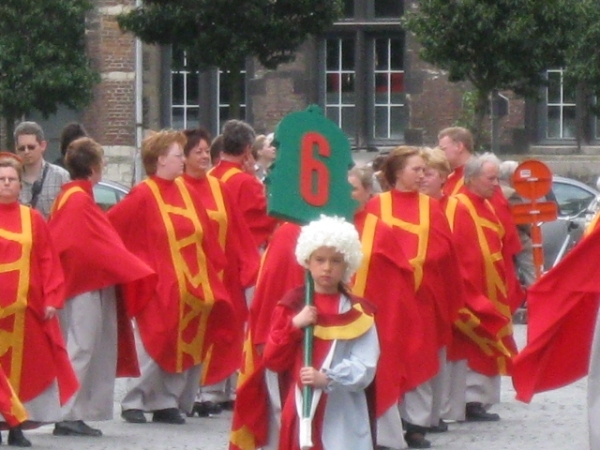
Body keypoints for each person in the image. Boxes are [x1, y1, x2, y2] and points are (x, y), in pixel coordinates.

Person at [107, 130, 236, 425]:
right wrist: (136, 267)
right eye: (179, 155)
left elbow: (205, 234)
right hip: (159, 283)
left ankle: (167, 399)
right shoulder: (143, 193)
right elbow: (112, 228)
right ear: (161, 159)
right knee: (157, 339)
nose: (183, 161)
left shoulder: (187, 192)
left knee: (190, 338)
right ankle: (134, 400)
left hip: (194, 281)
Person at [48, 138, 156, 437]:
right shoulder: (79, 199)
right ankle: (68, 412)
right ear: (94, 168)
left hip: (80, 281)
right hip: (84, 283)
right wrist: (129, 265)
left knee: (82, 347)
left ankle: (73, 411)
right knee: (82, 347)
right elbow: (86, 245)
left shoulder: (70, 196)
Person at [365, 146, 464, 449]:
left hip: (422, 293)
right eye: (416, 169)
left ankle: (417, 423)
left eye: (424, 170)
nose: (422, 175)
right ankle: (388, 423)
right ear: (397, 173)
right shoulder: (376, 205)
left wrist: (414, 264)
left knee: (420, 353)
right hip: (387, 296)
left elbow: (444, 247)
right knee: (389, 357)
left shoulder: (431, 207)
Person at [263, 215, 380, 450]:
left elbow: (365, 365)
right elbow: (273, 360)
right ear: (307, 261)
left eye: (336, 261)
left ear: (347, 264)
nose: (327, 267)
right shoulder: (293, 305)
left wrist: (327, 378)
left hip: (342, 410)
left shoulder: (358, 311)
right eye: (320, 259)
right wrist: (295, 325)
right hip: (301, 404)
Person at [0, 153, 78, 447]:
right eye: (1, 180)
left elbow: (48, 260)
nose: (6, 185)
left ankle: (17, 426)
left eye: (12, 180)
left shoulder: (32, 218)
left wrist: (52, 298)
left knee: (23, 372)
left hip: (26, 311)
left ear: (20, 185)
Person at [181, 128, 260, 416]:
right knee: (215, 329)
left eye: (206, 151)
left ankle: (220, 388)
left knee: (228, 327)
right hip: (201, 268)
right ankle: (208, 390)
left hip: (225, 265)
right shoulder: (237, 180)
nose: (204, 156)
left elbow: (236, 226)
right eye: (198, 151)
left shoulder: (219, 183)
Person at [348, 166, 426, 449]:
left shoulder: (379, 231)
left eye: (354, 188)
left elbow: (396, 283)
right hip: (334, 320)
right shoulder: (328, 225)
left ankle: (383, 438)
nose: (348, 194)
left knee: (379, 376)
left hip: (373, 321)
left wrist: (390, 322)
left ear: (368, 193)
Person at [445, 153, 519, 422]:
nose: (496, 184)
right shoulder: (458, 205)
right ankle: (469, 400)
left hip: (491, 285)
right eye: (491, 178)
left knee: (489, 343)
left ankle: (482, 399)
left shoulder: (487, 205)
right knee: (472, 345)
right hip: (470, 285)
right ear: (472, 178)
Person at [209, 120, 278, 249]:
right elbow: (268, 216)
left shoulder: (210, 174)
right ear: (247, 149)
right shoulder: (246, 181)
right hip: (240, 250)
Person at [14, 121, 70, 219]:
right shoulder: (10, 178)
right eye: (22, 148)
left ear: (43, 146)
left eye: (31, 147)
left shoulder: (61, 176)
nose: (26, 152)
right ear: (16, 149)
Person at [498, 160, 536, 288]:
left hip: (500, 239)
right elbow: (522, 220)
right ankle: (536, 293)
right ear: (511, 176)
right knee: (532, 269)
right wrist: (532, 234)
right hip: (517, 238)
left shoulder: (494, 190)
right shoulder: (510, 193)